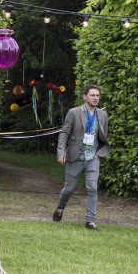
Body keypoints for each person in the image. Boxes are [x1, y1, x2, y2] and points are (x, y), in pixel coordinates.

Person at [54, 85, 109, 229]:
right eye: (92, 95)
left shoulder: (103, 115)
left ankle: (89, 220)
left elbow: (103, 136)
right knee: (69, 188)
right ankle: (60, 208)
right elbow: (64, 133)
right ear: (85, 96)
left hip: (93, 158)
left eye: (97, 95)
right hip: (75, 156)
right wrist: (61, 152)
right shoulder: (74, 112)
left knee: (92, 188)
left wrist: (99, 153)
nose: (95, 98)